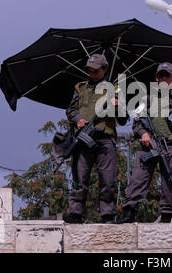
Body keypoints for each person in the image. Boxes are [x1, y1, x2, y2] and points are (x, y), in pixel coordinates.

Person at [118, 62, 172, 224]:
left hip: (171, 145)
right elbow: (136, 122)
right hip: (149, 145)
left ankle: (166, 217)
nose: (164, 78)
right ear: (157, 78)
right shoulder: (146, 99)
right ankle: (128, 214)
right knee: (138, 178)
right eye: (161, 75)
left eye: (167, 75)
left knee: (170, 181)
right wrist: (144, 134)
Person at [63, 53, 127, 224]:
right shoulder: (81, 88)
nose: (91, 73)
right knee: (80, 179)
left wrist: (117, 106)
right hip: (84, 138)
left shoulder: (114, 90)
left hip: (105, 140)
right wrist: (78, 120)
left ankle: (108, 216)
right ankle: (75, 214)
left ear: (104, 69)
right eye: (89, 70)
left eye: (96, 71)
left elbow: (123, 120)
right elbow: (70, 110)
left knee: (107, 180)